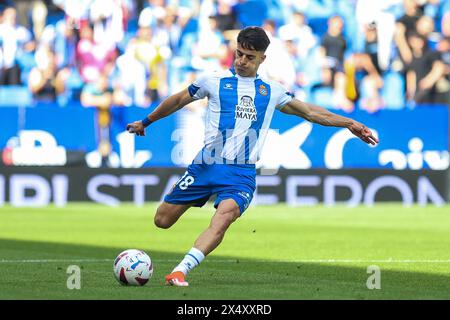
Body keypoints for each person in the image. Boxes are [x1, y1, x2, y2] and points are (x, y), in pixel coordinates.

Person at [126, 26, 379, 287]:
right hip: (206, 165)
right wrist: (146, 121)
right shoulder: (213, 81)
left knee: (223, 218)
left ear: (262, 59)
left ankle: (180, 271)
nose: (242, 61)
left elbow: (313, 113)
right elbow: (178, 100)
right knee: (162, 220)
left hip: (240, 174)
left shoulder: (271, 91)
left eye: (249, 57)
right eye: (239, 54)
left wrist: (350, 123)